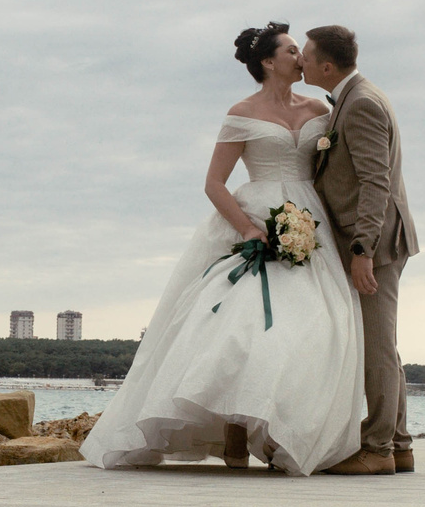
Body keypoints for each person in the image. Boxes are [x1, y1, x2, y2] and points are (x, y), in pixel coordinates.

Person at [81, 23, 365, 476]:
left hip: (311, 221)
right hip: (254, 219)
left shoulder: (320, 108)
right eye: (292, 51)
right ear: (268, 62)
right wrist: (248, 228)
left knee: (313, 328)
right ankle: (233, 425)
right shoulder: (242, 113)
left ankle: (282, 432)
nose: (301, 57)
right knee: (240, 325)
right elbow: (214, 183)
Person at [302, 24, 419, 474]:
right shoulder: (353, 97)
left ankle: (377, 450)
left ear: (327, 66)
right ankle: (400, 445)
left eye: (307, 56)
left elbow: (375, 183)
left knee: (377, 348)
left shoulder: (362, 103)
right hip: (373, 240)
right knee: (382, 344)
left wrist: (362, 250)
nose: (301, 62)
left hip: (376, 243)